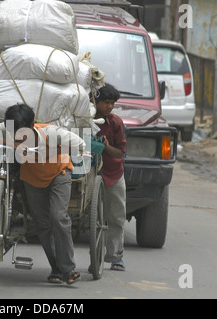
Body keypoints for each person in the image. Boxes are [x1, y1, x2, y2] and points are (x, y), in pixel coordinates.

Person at [0, 103, 85, 285]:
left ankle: (68, 269)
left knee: (58, 217)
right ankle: (56, 268)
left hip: (58, 174)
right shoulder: (5, 129)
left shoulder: (51, 133)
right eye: (13, 132)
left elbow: (79, 143)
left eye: (23, 133)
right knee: (43, 224)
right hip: (32, 179)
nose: (19, 137)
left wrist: (57, 149)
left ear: (32, 125)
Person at [94, 83, 127, 271]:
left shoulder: (115, 123)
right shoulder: (83, 119)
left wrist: (106, 146)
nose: (110, 107)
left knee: (116, 216)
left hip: (113, 174)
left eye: (112, 103)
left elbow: (120, 153)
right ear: (95, 102)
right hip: (90, 174)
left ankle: (115, 256)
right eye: (106, 102)